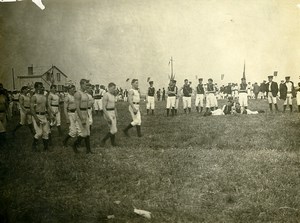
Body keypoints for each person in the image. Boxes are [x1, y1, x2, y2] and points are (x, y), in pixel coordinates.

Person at [72, 79, 92, 154]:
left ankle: (88, 150)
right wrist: (82, 119)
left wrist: (87, 116)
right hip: (80, 113)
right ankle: (74, 145)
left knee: (88, 132)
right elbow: (77, 107)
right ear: (81, 85)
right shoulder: (78, 94)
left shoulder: (85, 94)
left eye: (87, 85)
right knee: (83, 134)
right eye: (86, 85)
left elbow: (86, 106)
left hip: (85, 113)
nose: (87, 86)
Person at [30, 82, 51, 151]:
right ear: (36, 88)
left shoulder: (44, 97)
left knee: (46, 132)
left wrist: (50, 115)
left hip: (44, 115)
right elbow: (32, 109)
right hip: (37, 115)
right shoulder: (34, 97)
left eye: (42, 87)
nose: (42, 88)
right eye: (40, 87)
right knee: (39, 133)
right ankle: (33, 146)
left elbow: (47, 107)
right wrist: (36, 119)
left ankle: (46, 148)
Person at [100, 82, 118, 146]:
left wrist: (116, 113)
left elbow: (114, 106)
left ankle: (113, 143)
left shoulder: (113, 95)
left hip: (113, 112)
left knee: (113, 128)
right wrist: (107, 117)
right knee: (114, 130)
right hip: (108, 112)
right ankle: (103, 140)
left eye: (115, 88)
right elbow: (103, 107)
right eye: (113, 88)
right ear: (109, 88)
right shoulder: (106, 95)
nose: (114, 89)